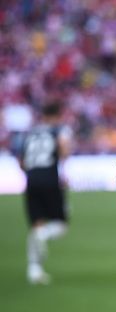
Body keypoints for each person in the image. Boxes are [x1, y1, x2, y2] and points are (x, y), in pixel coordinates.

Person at [16, 101, 72, 285]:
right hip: (50, 178)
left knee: (36, 224)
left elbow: (21, 162)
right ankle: (43, 236)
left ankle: (34, 270)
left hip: (31, 180)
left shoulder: (31, 133)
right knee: (60, 225)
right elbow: (64, 150)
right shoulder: (59, 130)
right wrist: (62, 169)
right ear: (58, 115)